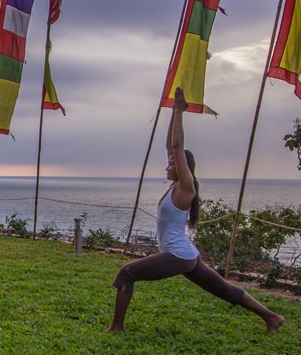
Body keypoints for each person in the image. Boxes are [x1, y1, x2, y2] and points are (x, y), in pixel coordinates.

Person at [107, 87, 285, 334]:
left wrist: (180, 111)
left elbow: (178, 146)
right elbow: (172, 146)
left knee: (127, 272)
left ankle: (117, 327)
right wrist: (172, 112)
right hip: (187, 255)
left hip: (180, 256)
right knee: (225, 290)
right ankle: (272, 318)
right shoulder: (174, 187)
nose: (167, 165)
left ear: (184, 168)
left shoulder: (185, 187)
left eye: (172, 163)